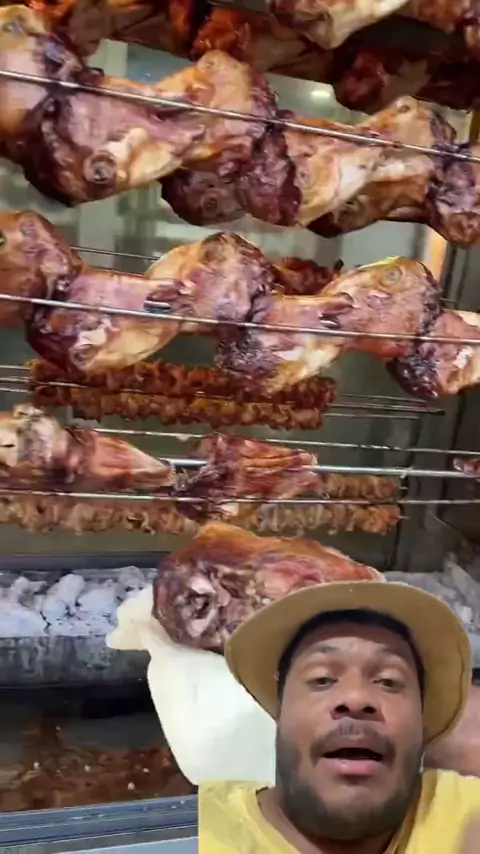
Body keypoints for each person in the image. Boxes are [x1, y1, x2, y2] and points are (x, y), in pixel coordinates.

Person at [199, 578, 480, 852]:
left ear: (421, 722)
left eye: (389, 681)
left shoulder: (461, 814)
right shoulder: (196, 829)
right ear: (280, 712)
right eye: (322, 679)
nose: (355, 698)